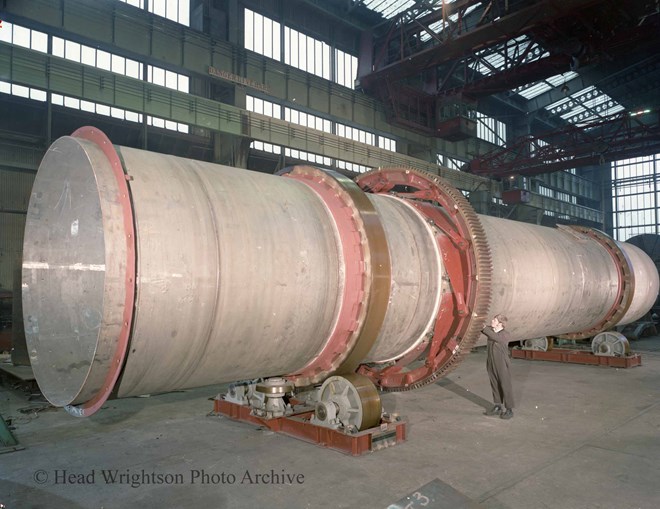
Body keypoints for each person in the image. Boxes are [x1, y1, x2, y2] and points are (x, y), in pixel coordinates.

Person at [482, 314, 514, 419]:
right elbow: (484, 329)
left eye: (494, 320)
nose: (492, 321)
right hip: (491, 362)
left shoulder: (505, 334)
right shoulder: (492, 331)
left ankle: (509, 409)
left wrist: (484, 328)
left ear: (500, 323)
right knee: (494, 384)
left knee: (505, 385)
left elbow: (496, 338)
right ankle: (497, 406)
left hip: (502, 364)